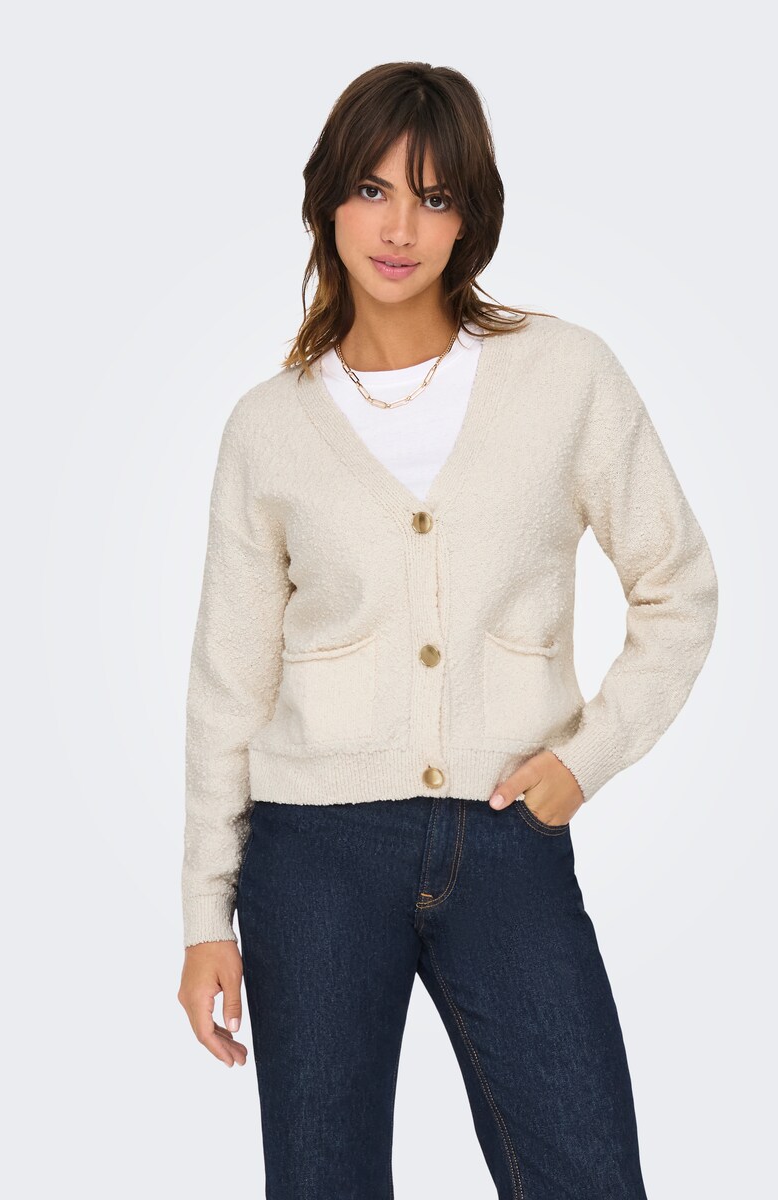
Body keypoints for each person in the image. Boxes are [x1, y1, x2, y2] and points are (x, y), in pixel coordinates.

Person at [177, 61, 719, 1200]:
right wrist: (203, 917)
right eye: (373, 190)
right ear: (328, 200)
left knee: (587, 1175)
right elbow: (229, 683)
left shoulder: (563, 375)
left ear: (470, 215)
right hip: (311, 860)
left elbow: (678, 586)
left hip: (506, 839)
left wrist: (586, 758)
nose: (400, 228)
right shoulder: (267, 429)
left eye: (434, 197)